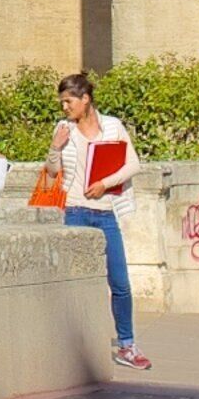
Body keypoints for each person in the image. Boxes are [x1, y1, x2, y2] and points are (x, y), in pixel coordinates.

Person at [47, 71, 148, 370]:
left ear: (85, 99)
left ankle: (126, 345)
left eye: (69, 101)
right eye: (62, 102)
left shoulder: (113, 127)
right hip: (75, 210)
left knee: (120, 282)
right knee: (74, 282)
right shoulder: (64, 129)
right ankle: (72, 348)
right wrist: (55, 146)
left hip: (106, 212)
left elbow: (133, 164)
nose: (65, 108)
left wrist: (105, 183)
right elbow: (52, 173)